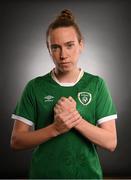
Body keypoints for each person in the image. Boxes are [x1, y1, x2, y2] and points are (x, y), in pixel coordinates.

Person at [10, 9, 117, 179]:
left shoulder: (96, 85)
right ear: (48, 49)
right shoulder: (35, 86)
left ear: (81, 45)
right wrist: (56, 128)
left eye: (69, 45)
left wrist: (75, 119)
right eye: (55, 47)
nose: (63, 55)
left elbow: (110, 142)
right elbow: (16, 141)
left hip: (87, 176)